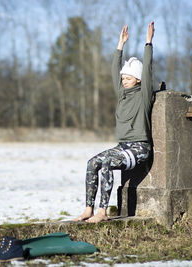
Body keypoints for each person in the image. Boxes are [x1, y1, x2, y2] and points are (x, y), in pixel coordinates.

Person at [73, 21, 155, 223]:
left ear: (137, 79)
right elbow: (113, 71)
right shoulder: (122, 95)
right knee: (92, 163)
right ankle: (88, 209)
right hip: (123, 147)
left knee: (108, 162)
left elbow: (148, 71)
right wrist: (120, 45)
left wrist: (148, 42)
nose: (124, 80)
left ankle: (103, 212)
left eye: (128, 77)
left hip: (139, 148)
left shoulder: (144, 95)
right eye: (123, 77)